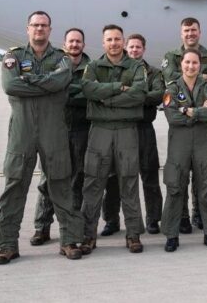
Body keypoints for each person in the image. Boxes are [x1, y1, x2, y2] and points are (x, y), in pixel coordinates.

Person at [0, 11, 84, 264]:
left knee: (61, 185)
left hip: (53, 130)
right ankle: (7, 245)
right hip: (22, 131)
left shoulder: (62, 58)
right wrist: (46, 83)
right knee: (14, 186)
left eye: (44, 25)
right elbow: (11, 86)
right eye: (35, 25)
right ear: (28, 29)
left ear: (50, 30)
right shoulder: (13, 56)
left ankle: (68, 241)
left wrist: (30, 81)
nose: (39, 29)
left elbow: (62, 81)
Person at [79, 25, 148, 254]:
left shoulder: (137, 66)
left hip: (127, 131)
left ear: (123, 41)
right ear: (103, 43)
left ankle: (133, 234)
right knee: (93, 183)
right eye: (109, 39)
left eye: (118, 39)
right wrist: (119, 88)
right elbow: (89, 90)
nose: (114, 43)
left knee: (129, 182)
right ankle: (88, 236)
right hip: (100, 131)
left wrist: (105, 99)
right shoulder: (93, 67)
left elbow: (139, 93)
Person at [161, 17, 207, 234]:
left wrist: (188, 109)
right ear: (181, 33)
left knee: (205, 180)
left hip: (203, 135)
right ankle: (182, 218)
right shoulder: (171, 56)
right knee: (177, 181)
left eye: (194, 30)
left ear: (200, 32)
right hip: (180, 138)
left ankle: (202, 218)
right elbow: (170, 79)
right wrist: (198, 109)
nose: (190, 34)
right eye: (186, 30)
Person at [98, 35, 164, 235]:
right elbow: (108, 93)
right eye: (132, 47)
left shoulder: (153, 73)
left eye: (138, 47)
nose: (134, 50)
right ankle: (111, 220)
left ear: (144, 49)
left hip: (144, 129)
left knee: (150, 176)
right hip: (120, 129)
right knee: (114, 177)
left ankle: (153, 219)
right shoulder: (119, 70)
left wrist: (131, 96)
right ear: (126, 48)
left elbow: (158, 94)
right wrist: (137, 96)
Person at [31, 27, 90, 247]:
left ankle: (73, 228)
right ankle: (41, 227)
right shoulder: (55, 63)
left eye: (78, 42)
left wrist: (64, 88)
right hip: (54, 130)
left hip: (81, 131)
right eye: (71, 41)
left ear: (83, 45)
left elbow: (91, 92)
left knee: (77, 180)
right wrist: (75, 89)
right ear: (65, 44)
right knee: (48, 180)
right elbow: (49, 88)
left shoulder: (90, 67)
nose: (74, 45)